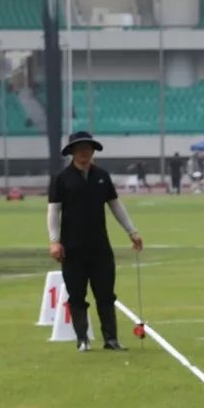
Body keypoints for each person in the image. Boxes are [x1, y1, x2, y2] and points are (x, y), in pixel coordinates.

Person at [47, 131, 144, 352]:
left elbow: (115, 205)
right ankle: (82, 339)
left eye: (88, 148)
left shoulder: (102, 176)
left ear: (93, 151)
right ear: (72, 152)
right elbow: (53, 211)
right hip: (72, 248)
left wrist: (132, 231)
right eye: (80, 148)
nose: (84, 152)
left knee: (106, 294)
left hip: (100, 246)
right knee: (77, 295)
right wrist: (54, 241)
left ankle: (111, 339)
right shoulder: (61, 178)